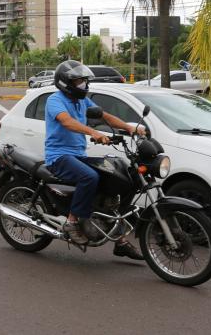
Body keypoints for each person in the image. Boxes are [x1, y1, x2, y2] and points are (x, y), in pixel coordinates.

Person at [45, 60, 145, 259]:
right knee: (89, 177)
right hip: (59, 156)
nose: (83, 84)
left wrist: (129, 128)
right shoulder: (55, 100)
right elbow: (67, 122)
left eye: (84, 81)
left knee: (121, 177)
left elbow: (105, 116)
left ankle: (120, 239)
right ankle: (72, 222)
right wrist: (93, 132)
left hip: (78, 155)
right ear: (66, 83)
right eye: (79, 81)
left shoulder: (83, 101)